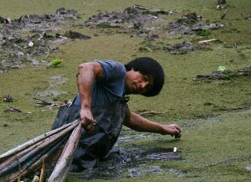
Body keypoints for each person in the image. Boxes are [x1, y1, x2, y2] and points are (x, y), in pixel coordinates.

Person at [52, 57, 181, 171]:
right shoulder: (117, 71)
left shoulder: (119, 99)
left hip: (85, 157)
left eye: (147, 87)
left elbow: (132, 120)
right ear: (132, 68)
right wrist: (85, 107)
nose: (143, 85)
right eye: (144, 78)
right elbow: (86, 67)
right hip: (64, 150)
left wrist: (164, 129)